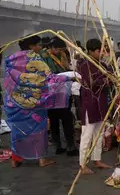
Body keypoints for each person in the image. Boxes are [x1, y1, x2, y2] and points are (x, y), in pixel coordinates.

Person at [4, 35, 76, 167]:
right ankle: (42, 159)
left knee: (18, 130)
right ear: (32, 47)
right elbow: (47, 79)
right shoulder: (35, 59)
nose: (41, 47)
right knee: (38, 130)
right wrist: (68, 78)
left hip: (14, 101)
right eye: (39, 45)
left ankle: (15, 159)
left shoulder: (11, 59)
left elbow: (9, 81)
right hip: (33, 103)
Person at [77, 38, 112, 174]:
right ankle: (82, 164)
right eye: (98, 51)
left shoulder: (102, 64)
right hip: (89, 103)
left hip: (101, 103)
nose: (101, 53)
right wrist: (105, 80)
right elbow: (90, 82)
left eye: (102, 50)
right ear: (91, 51)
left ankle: (97, 159)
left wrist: (110, 77)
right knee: (87, 135)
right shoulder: (84, 65)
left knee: (99, 133)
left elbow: (112, 74)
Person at [41, 37, 78, 156]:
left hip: (64, 93)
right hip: (51, 94)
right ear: (51, 47)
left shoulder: (63, 54)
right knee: (54, 121)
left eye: (60, 49)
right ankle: (58, 146)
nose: (58, 51)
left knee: (67, 120)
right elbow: (46, 75)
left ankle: (70, 147)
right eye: (56, 49)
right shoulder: (44, 57)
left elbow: (68, 67)